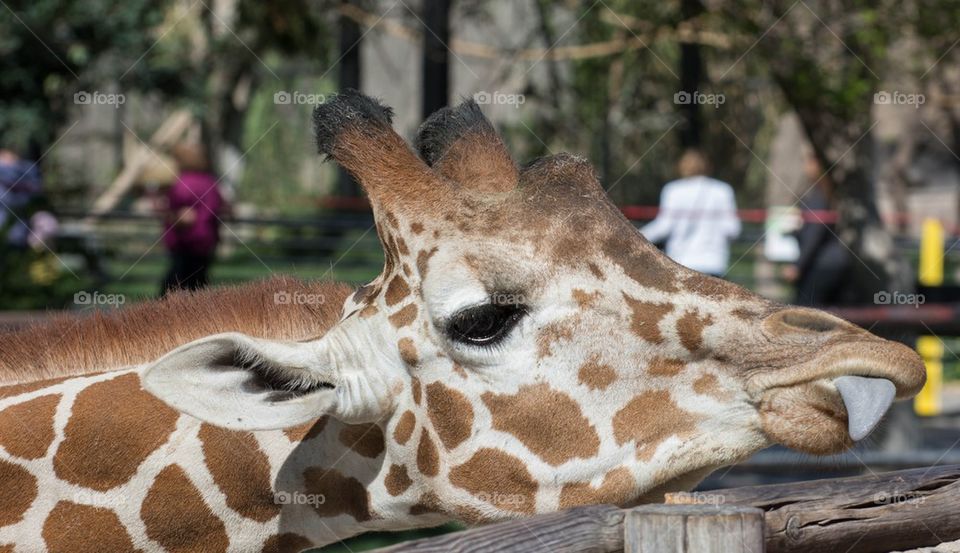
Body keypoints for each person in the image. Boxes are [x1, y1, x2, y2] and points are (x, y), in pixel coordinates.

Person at [640, 149, 741, 276]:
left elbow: (664, 227)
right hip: (714, 263)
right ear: (707, 166)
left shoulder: (673, 190)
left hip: (680, 263)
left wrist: (635, 236)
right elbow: (733, 230)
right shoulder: (723, 190)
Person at [783, 153, 852, 306]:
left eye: (808, 161)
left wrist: (798, 266)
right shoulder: (827, 193)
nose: (805, 166)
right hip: (834, 262)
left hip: (822, 263)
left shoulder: (819, 195)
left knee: (804, 311)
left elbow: (815, 234)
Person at [160, 143, 224, 295]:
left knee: (176, 286)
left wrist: (177, 216)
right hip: (205, 242)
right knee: (197, 284)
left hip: (187, 241)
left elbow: (178, 211)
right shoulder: (209, 182)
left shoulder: (184, 183)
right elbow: (216, 206)